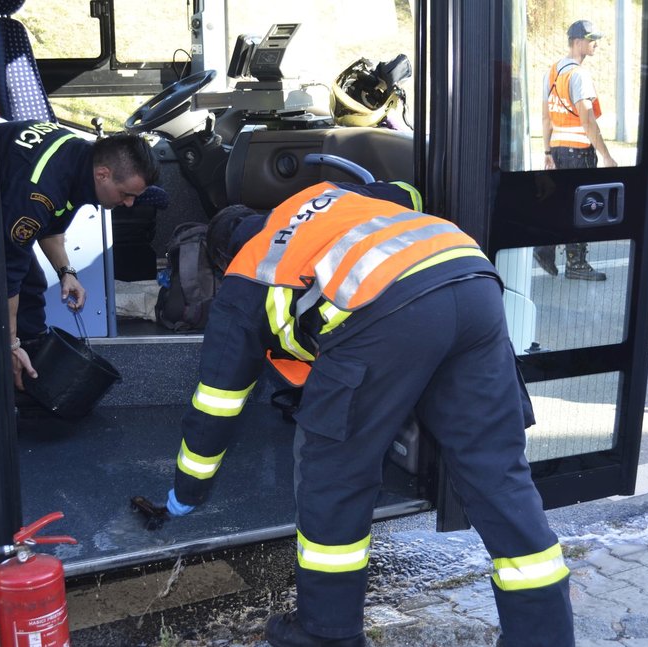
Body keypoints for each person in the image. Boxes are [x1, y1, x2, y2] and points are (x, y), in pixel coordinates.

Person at [160, 181, 575, 647]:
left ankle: (326, 633)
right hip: (470, 277)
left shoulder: (248, 270)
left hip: (390, 310)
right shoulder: (320, 199)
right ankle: (544, 636)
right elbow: (406, 193)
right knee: (497, 474)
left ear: (222, 259)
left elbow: (218, 398)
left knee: (333, 475)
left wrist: (189, 487)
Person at [0, 120, 160, 389]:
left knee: (31, 285)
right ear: (103, 174)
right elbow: (6, 272)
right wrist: (11, 344)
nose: (129, 203)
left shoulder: (79, 162)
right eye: (126, 194)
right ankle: (14, 373)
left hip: (6, 198)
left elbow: (50, 227)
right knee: (20, 288)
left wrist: (67, 273)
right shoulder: (40, 190)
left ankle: (31, 374)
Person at [535, 18, 615, 282]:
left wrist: (548, 152)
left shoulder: (553, 71)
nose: (595, 44)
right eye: (591, 39)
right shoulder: (579, 75)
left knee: (562, 203)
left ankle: (546, 246)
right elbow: (587, 120)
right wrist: (605, 155)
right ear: (577, 41)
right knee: (582, 207)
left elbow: (546, 117)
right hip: (579, 152)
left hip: (558, 150)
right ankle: (576, 264)